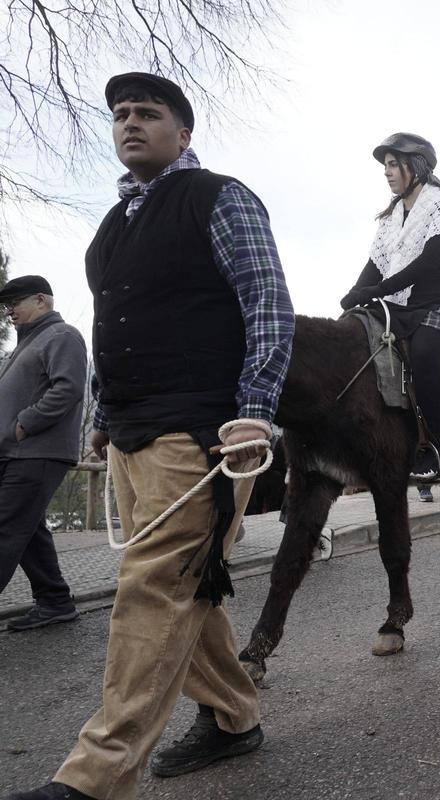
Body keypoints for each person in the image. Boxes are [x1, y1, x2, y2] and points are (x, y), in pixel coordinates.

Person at [6, 74, 295, 800]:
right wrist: (102, 419)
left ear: (183, 133)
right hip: (132, 439)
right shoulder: (112, 227)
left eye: (148, 113)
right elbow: (116, 331)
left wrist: (255, 408)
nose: (130, 122)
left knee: (149, 591)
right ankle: (234, 719)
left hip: (201, 435)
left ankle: (95, 776)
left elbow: (267, 302)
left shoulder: (219, 196)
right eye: (120, 114)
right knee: (184, 588)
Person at [340, 132, 440, 483]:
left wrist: (377, 290)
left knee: (425, 349)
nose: (386, 173)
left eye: (392, 165)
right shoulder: (390, 217)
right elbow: (375, 264)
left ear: (414, 166)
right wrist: (353, 296)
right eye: (385, 166)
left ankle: (434, 448)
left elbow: (430, 262)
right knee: (354, 337)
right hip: (401, 306)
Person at [0, 276, 86, 632]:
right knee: (28, 530)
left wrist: (25, 423)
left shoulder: (62, 335)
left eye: (14, 303)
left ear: (41, 300)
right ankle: (55, 601)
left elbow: (68, 388)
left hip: (37, 451)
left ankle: (54, 601)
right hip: (16, 452)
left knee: (3, 528)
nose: (8, 313)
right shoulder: (25, 345)